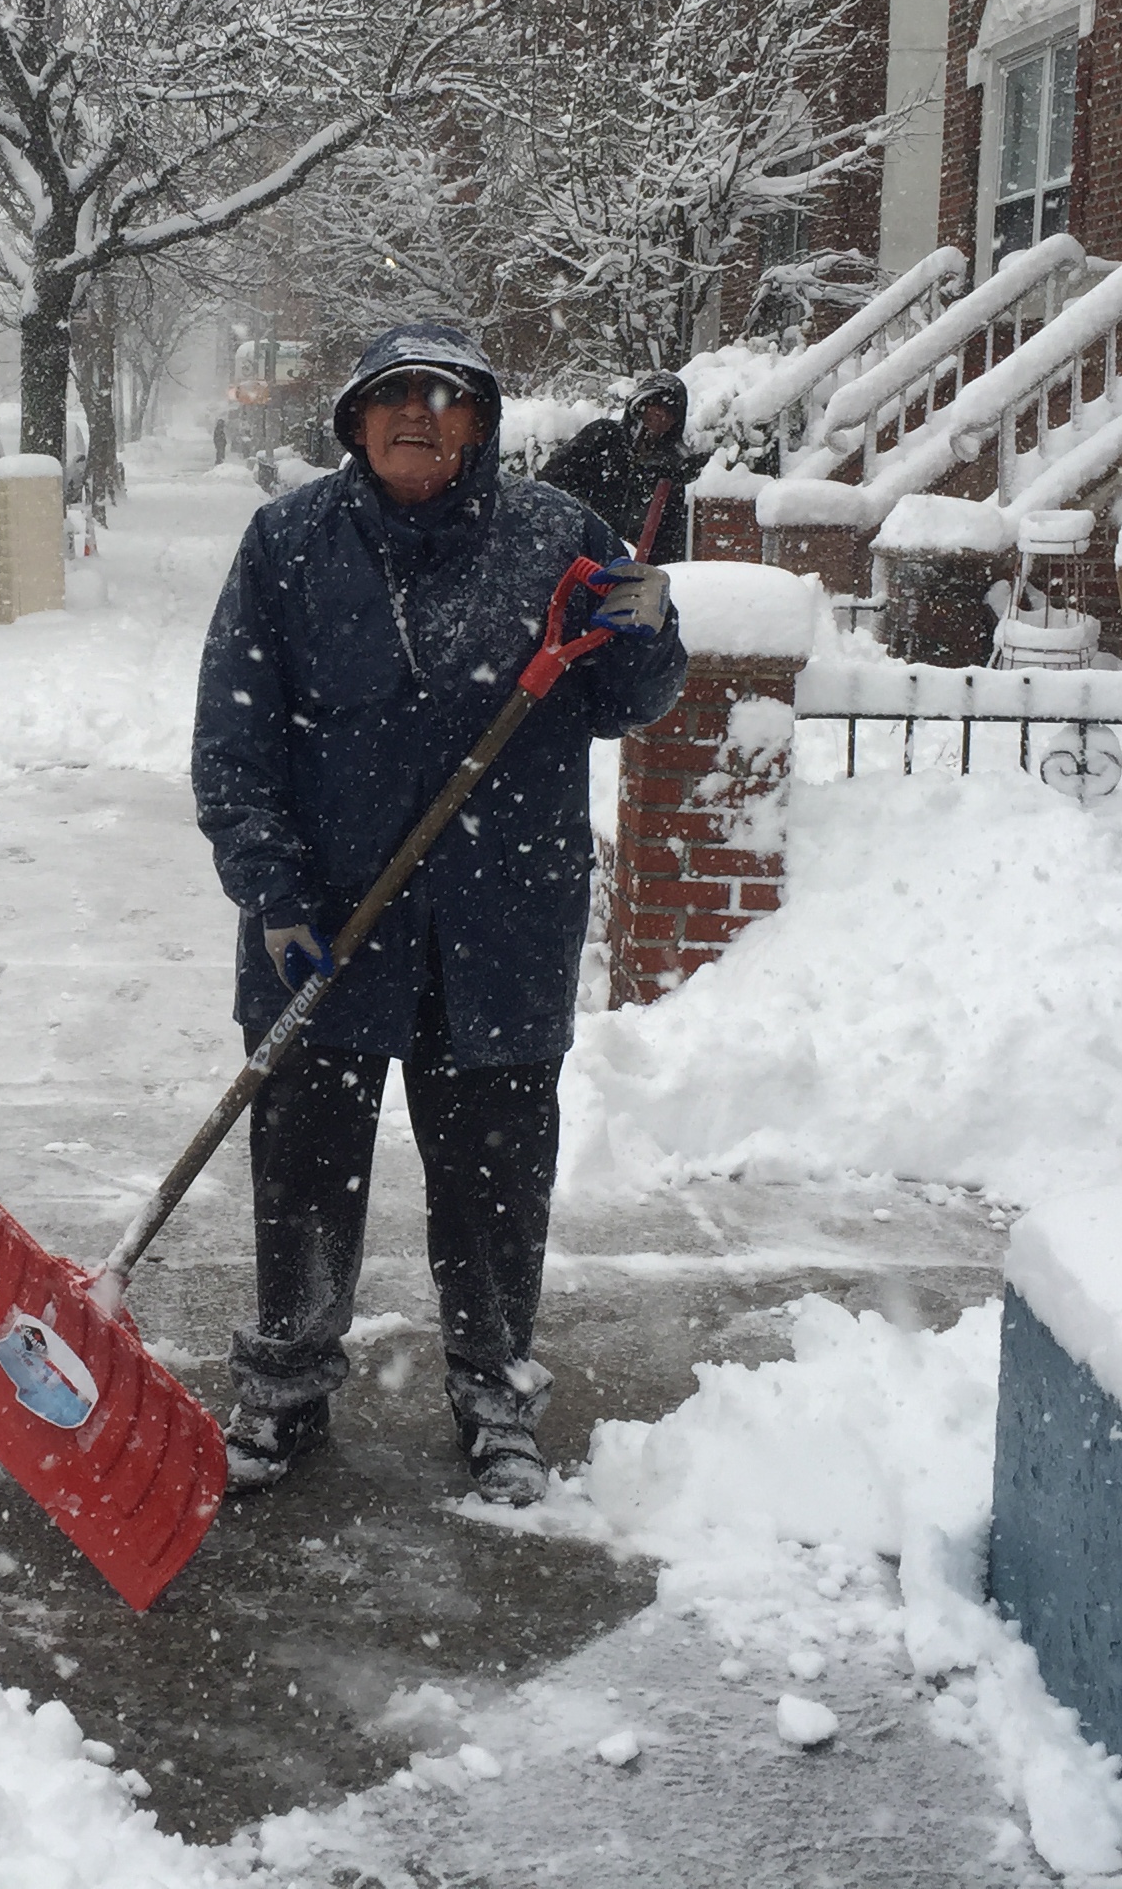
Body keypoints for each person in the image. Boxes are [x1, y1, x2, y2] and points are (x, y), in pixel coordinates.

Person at [190, 321, 688, 1505]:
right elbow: (233, 740)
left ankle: (496, 1395)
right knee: (304, 1176)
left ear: (482, 420)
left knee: (497, 1188)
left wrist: (649, 627)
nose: (420, 413)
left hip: (499, 930)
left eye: (446, 396)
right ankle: (287, 1388)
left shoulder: (556, 537)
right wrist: (271, 889)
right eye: (393, 394)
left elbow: (635, 698)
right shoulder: (290, 544)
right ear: (355, 421)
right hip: (326, 925)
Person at [540, 369, 703, 560]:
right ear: (641, 404)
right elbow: (552, 482)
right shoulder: (602, 437)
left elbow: (670, 536)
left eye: (670, 412)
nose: (661, 415)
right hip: (582, 556)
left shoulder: (668, 469)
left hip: (632, 569)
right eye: (656, 405)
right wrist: (581, 526)